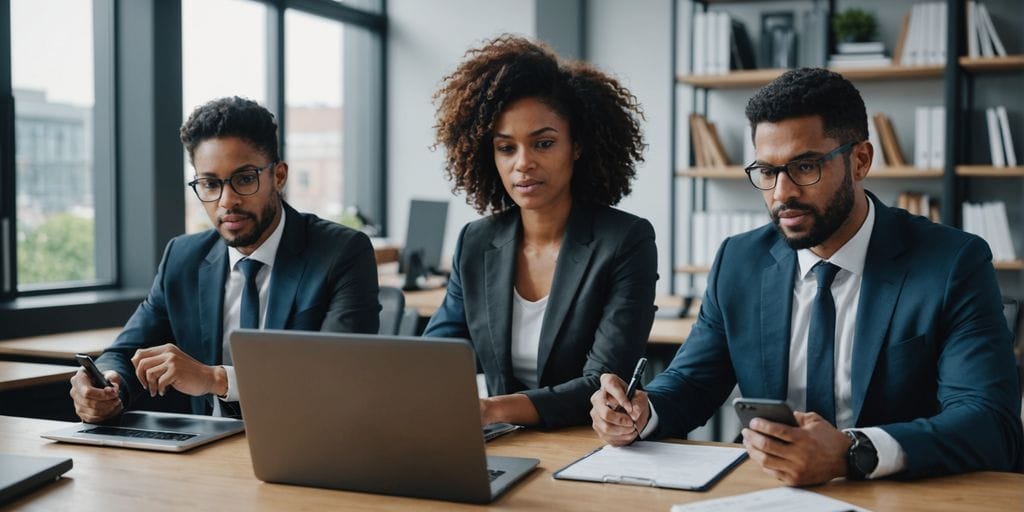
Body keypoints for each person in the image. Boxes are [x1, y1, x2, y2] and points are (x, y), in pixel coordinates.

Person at [591, 68, 1023, 483]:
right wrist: (641, 412)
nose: (782, 193)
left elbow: (990, 422)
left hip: (897, 492)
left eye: (805, 167)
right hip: (767, 489)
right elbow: (692, 381)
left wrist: (851, 453)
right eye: (767, 171)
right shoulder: (739, 261)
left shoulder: (952, 263)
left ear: (860, 160)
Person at [69, 97, 381, 422]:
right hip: (209, 446)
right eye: (210, 184)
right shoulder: (183, 258)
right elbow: (123, 353)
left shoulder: (342, 252)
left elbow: (337, 374)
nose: (227, 201)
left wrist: (215, 379)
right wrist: (106, 385)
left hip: (306, 440)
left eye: (244, 179)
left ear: (279, 176)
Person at [424, 35, 657, 429]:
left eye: (543, 143)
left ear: (576, 146)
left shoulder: (625, 241)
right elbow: (436, 358)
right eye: (506, 148)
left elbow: (602, 384)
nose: (523, 164)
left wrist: (492, 410)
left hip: (591, 441)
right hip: (499, 441)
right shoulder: (475, 242)